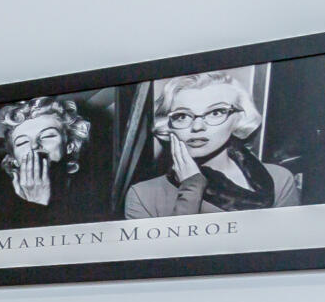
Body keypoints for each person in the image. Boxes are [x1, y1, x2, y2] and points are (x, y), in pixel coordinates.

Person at [123, 71, 298, 219]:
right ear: (168, 125)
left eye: (215, 112)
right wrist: (191, 190)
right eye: (182, 116)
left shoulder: (279, 180)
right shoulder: (143, 195)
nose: (198, 127)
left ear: (240, 118)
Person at [0, 93, 98, 229]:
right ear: (14, 159)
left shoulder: (91, 194)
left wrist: (39, 203)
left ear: (69, 146)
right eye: (22, 142)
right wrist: (36, 205)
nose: (34, 146)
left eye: (47, 136)